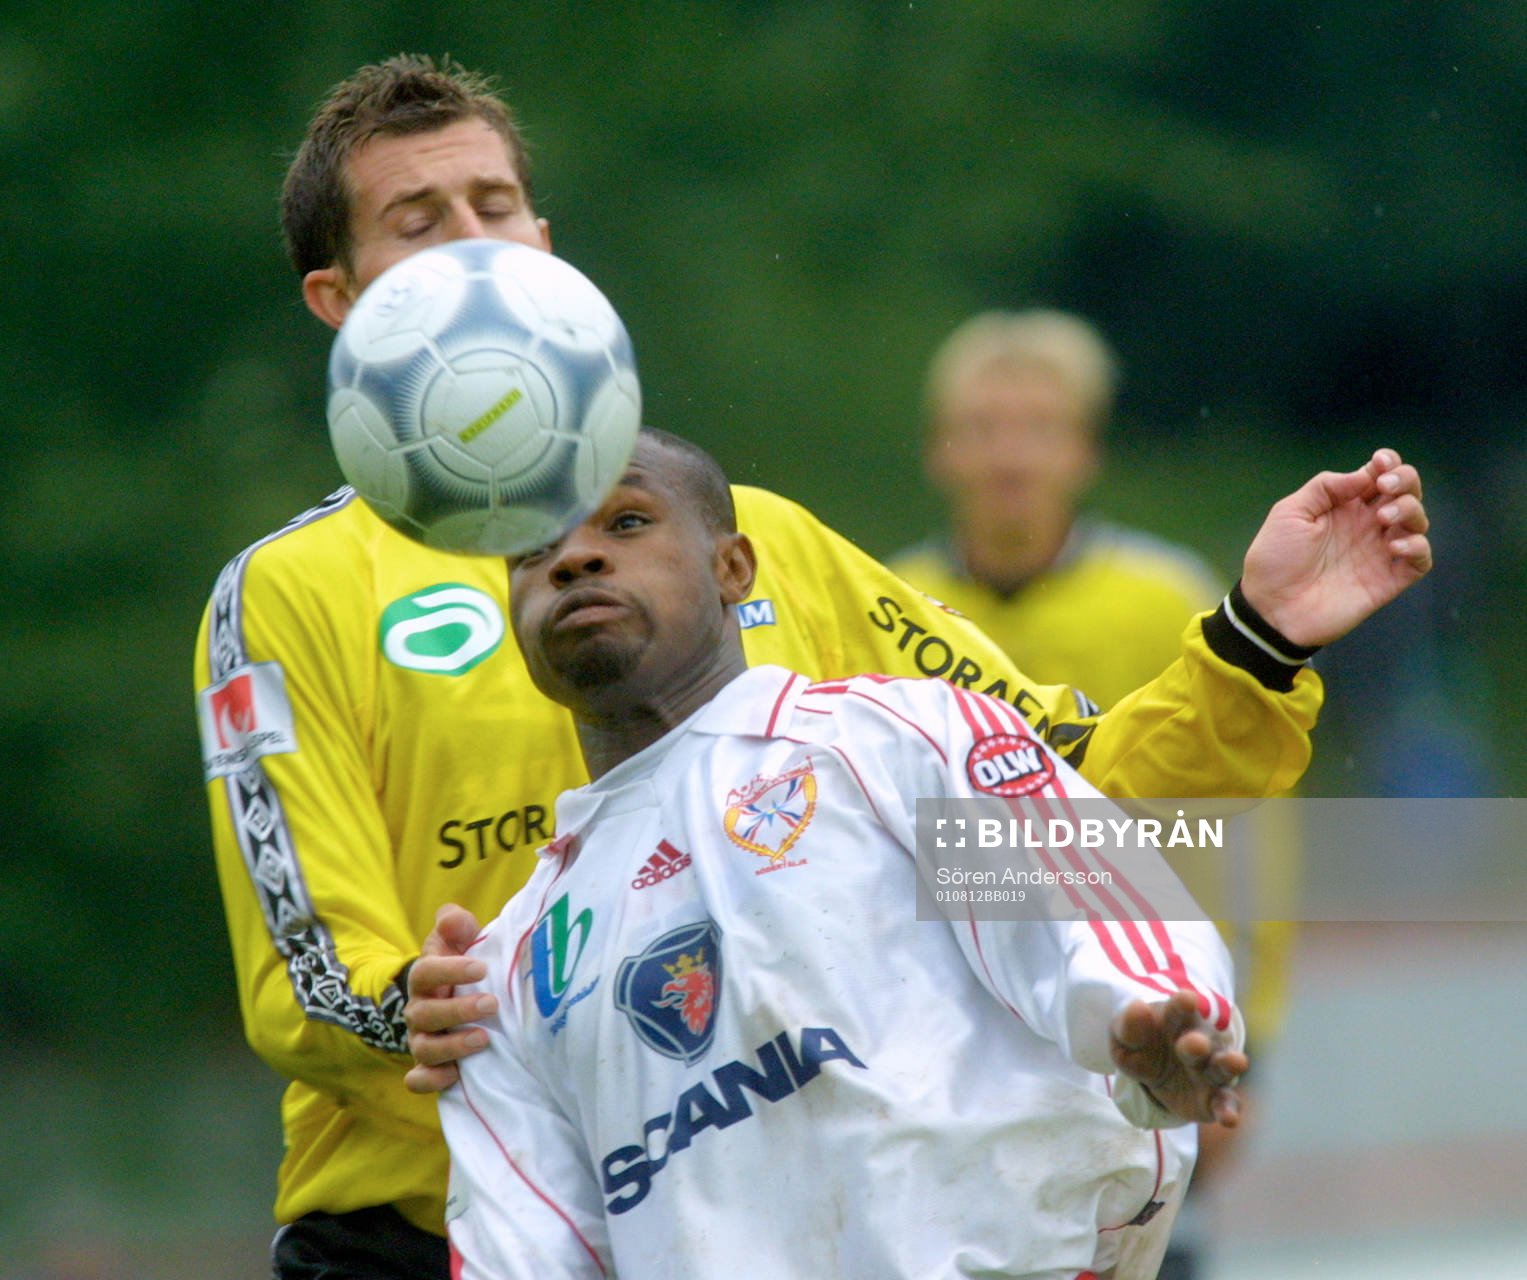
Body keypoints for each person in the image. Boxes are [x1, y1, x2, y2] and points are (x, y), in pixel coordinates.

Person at [195, 54, 1428, 1279]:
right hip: (429, 1229)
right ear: (338, 299)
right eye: (420, 223)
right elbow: (305, 967)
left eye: (495, 206)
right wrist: (434, 1005)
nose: (477, 246)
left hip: (770, 1219)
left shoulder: (751, 534)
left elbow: (1050, 803)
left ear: (549, 242)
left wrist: (1258, 638)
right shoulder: (291, 590)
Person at [438, 427, 1252, 1279]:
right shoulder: (508, 969)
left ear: (733, 569)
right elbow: (522, 1254)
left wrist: (1161, 1022)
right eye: (534, 550)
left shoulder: (890, 739)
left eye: (628, 523)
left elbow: (1089, 906)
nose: (574, 559)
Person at [888, 310, 1292, 1277]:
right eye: (982, 428)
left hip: (1142, 1019)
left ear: (1083, 450)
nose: (1008, 456)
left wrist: (1252, 1034)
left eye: (1036, 427)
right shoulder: (890, 605)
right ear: (940, 452)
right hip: (963, 1033)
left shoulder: (1165, 599)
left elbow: (1247, 841)